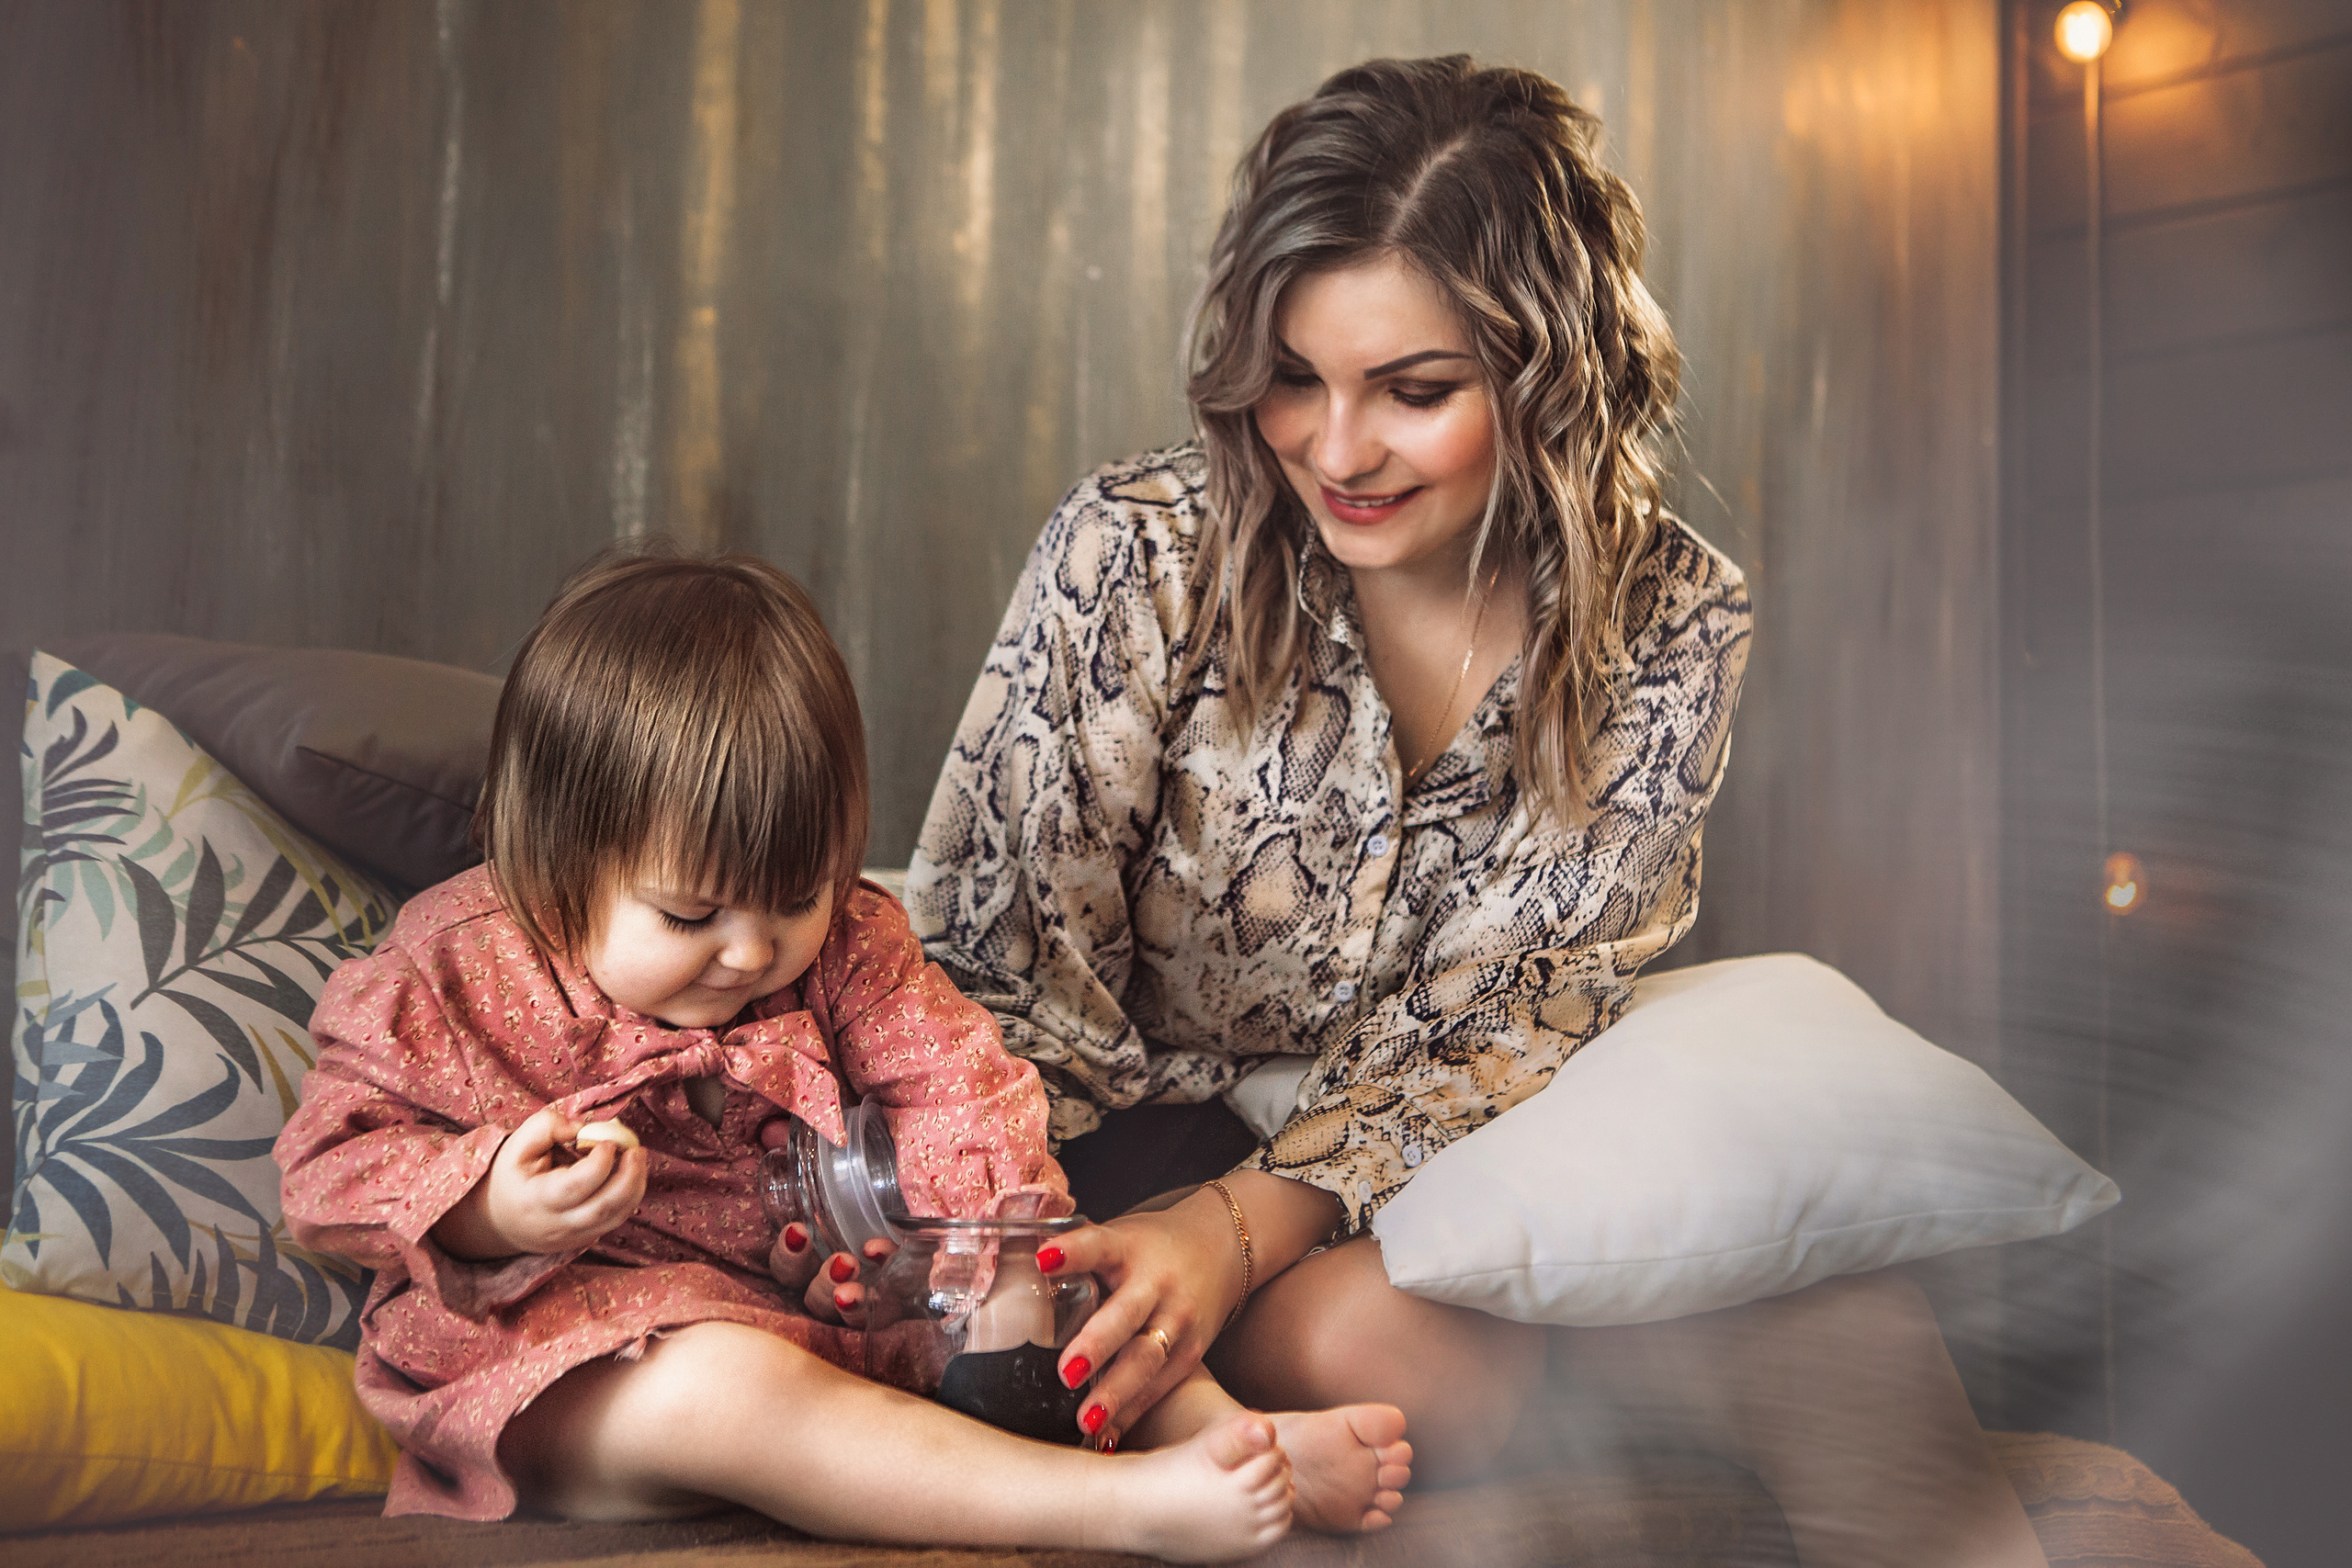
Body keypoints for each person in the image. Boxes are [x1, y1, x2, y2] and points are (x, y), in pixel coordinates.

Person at [909, 55, 2051, 1567]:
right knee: (1403, 1363)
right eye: (1296, 375)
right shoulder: (1139, 553)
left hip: (1459, 1140)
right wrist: (1097, 1246)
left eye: (1416, 390)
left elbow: (1512, 1004)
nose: (1333, 447)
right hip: (1109, 1135)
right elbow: (1002, 974)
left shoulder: (1673, 618)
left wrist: (1253, 1221)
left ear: (1546, 372)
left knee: (1866, 1338)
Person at [273, 548, 1401, 1562]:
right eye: (689, 915)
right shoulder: (451, 971)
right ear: (544, 861)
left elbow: (956, 1080)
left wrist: (987, 1248)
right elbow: (328, 1168)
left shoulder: (853, 942)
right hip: (569, 1362)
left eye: (794, 895)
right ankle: (1109, 1508)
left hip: (836, 1310)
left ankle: (1231, 1443)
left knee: (1066, 1266)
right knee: (724, 1388)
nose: (752, 949)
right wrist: (488, 1209)